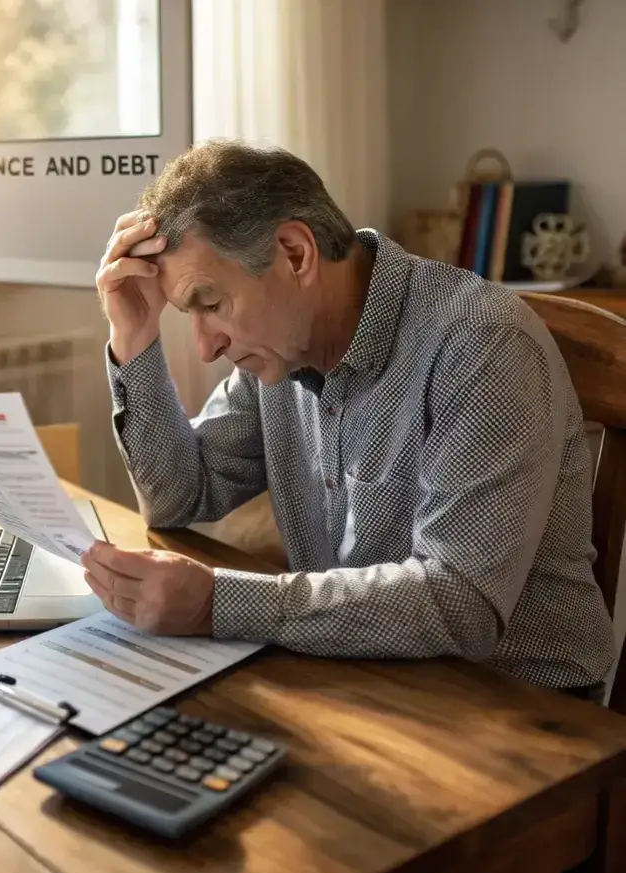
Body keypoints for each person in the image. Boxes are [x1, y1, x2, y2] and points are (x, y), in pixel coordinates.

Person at [81, 139, 615, 698]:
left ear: (294, 253)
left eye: (210, 304)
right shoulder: (282, 351)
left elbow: (462, 604)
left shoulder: (482, 344)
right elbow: (179, 498)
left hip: (518, 712)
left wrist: (218, 602)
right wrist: (133, 341)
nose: (207, 347)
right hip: (353, 676)